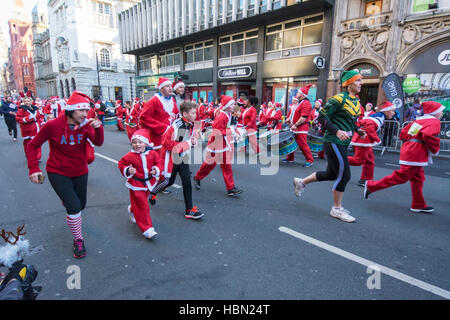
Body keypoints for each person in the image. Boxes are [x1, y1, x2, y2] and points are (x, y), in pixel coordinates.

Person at [26, 91, 104, 259]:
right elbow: (32, 145)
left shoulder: (86, 126)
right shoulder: (52, 125)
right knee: (74, 207)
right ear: (70, 111)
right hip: (57, 171)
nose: (85, 114)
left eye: (86, 110)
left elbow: (98, 142)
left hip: (80, 170)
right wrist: (33, 169)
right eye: (81, 110)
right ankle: (78, 240)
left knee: (80, 205)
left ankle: (68, 201)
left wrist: (98, 129)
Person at [293, 70, 366, 223]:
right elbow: (321, 117)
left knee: (332, 174)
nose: (361, 83)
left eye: (361, 80)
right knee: (345, 175)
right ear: (349, 83)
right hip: (333, 141)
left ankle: (301, 182)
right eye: (358, 80)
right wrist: (337, 131)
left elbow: (351, 120)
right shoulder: (338, 99)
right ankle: (336, 209)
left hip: (343, 143)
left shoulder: (355, 101)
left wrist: (358, 130)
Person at [364, 101, 443, 214]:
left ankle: (418, 204)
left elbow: (404, 134)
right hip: (416, 152)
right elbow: (427, 135)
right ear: (434, 112)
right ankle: (372, 186)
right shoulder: (434, 121)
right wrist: (435, 148)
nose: (442, 113)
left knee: (418, 178)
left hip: (409, 149)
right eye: (440, 110)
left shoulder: (419, 120)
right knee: (402, 176)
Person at [150, 102, 204, 219]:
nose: (196, 115)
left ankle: (189, 210)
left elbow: (188, 137)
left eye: (195, 112)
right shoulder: (178, 125)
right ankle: (153, 191)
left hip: (182, 156)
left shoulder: (188, 123)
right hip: (172, 157)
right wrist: (189, 143)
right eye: (193, 113)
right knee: (168, 181)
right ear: (185, 114)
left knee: (187, 183)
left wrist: (193, 139)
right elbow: (168, 144)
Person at [193, 95, 243, 197]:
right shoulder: (222, 116)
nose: (235, 105)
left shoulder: (227, 115)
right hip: (216, 144)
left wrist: (234, 133)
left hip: (223, 143)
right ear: (227, 106)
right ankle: (197, 177)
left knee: (227, 166)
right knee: (209, 165)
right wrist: (230, 132)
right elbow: (217, 131)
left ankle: (230, 188)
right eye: (232, 104)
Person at [118, 129, 162, 239]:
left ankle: (132, 209)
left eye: (140, 142)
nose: (137, 145)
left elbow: (159, 162)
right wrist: (128, 170)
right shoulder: (130, 155)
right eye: (134, 142)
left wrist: (156, 169)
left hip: (148, 183)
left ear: (146, 143)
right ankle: (147, 228)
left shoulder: (153, 153)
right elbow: (121, 164)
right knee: (143, 205)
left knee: (140, 203)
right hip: (136, 184)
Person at [348, 101, 397, 186]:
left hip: (364, 139)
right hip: (363, 140)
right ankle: (337, 159)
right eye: (392, 111)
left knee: (369, 161)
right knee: (358, 161)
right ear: (386, 111)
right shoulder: (378, 118)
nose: (393, 113)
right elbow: (370, 127)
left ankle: (365, 180)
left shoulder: (379, 116)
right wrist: (377, 139)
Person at [139, 78, 180, 154]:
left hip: (170, 136)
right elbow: (144, 117)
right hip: (157, 138)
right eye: (167, 86)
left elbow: (176, 114)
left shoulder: (172, 100)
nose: (170, 88)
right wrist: (163, 127)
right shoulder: (154, 100)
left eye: (171, 86)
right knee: (159, 162)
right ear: (161, 88)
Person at [283, 84, 315, 167]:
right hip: (296, 127)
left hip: (301, 127)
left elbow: (303, 118)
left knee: (302, 144)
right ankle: (290, 158)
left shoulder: (306, 103)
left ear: (302, 94)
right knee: (291, 142)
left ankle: (310, 160)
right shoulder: (300, 103)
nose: (297, 93)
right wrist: (290, 121)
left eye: (298, 92)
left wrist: (296, 125)